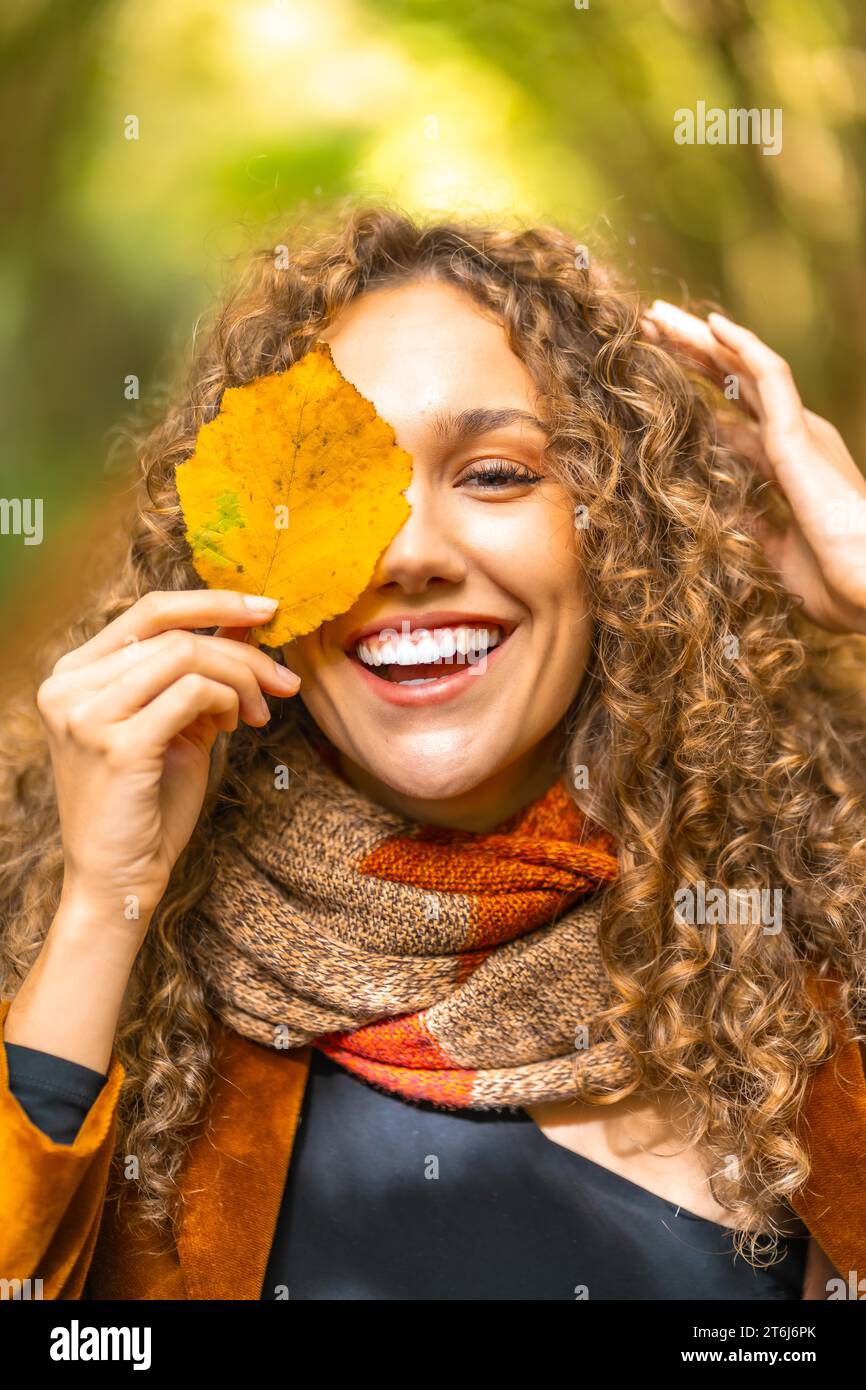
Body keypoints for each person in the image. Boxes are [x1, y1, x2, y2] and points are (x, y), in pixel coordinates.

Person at [1, 204, 865, 1301]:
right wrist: (100, 908)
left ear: (630, 533)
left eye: (496, 475)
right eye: (334, 488)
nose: (408, 552)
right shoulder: (96, 957)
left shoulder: (815, 930)